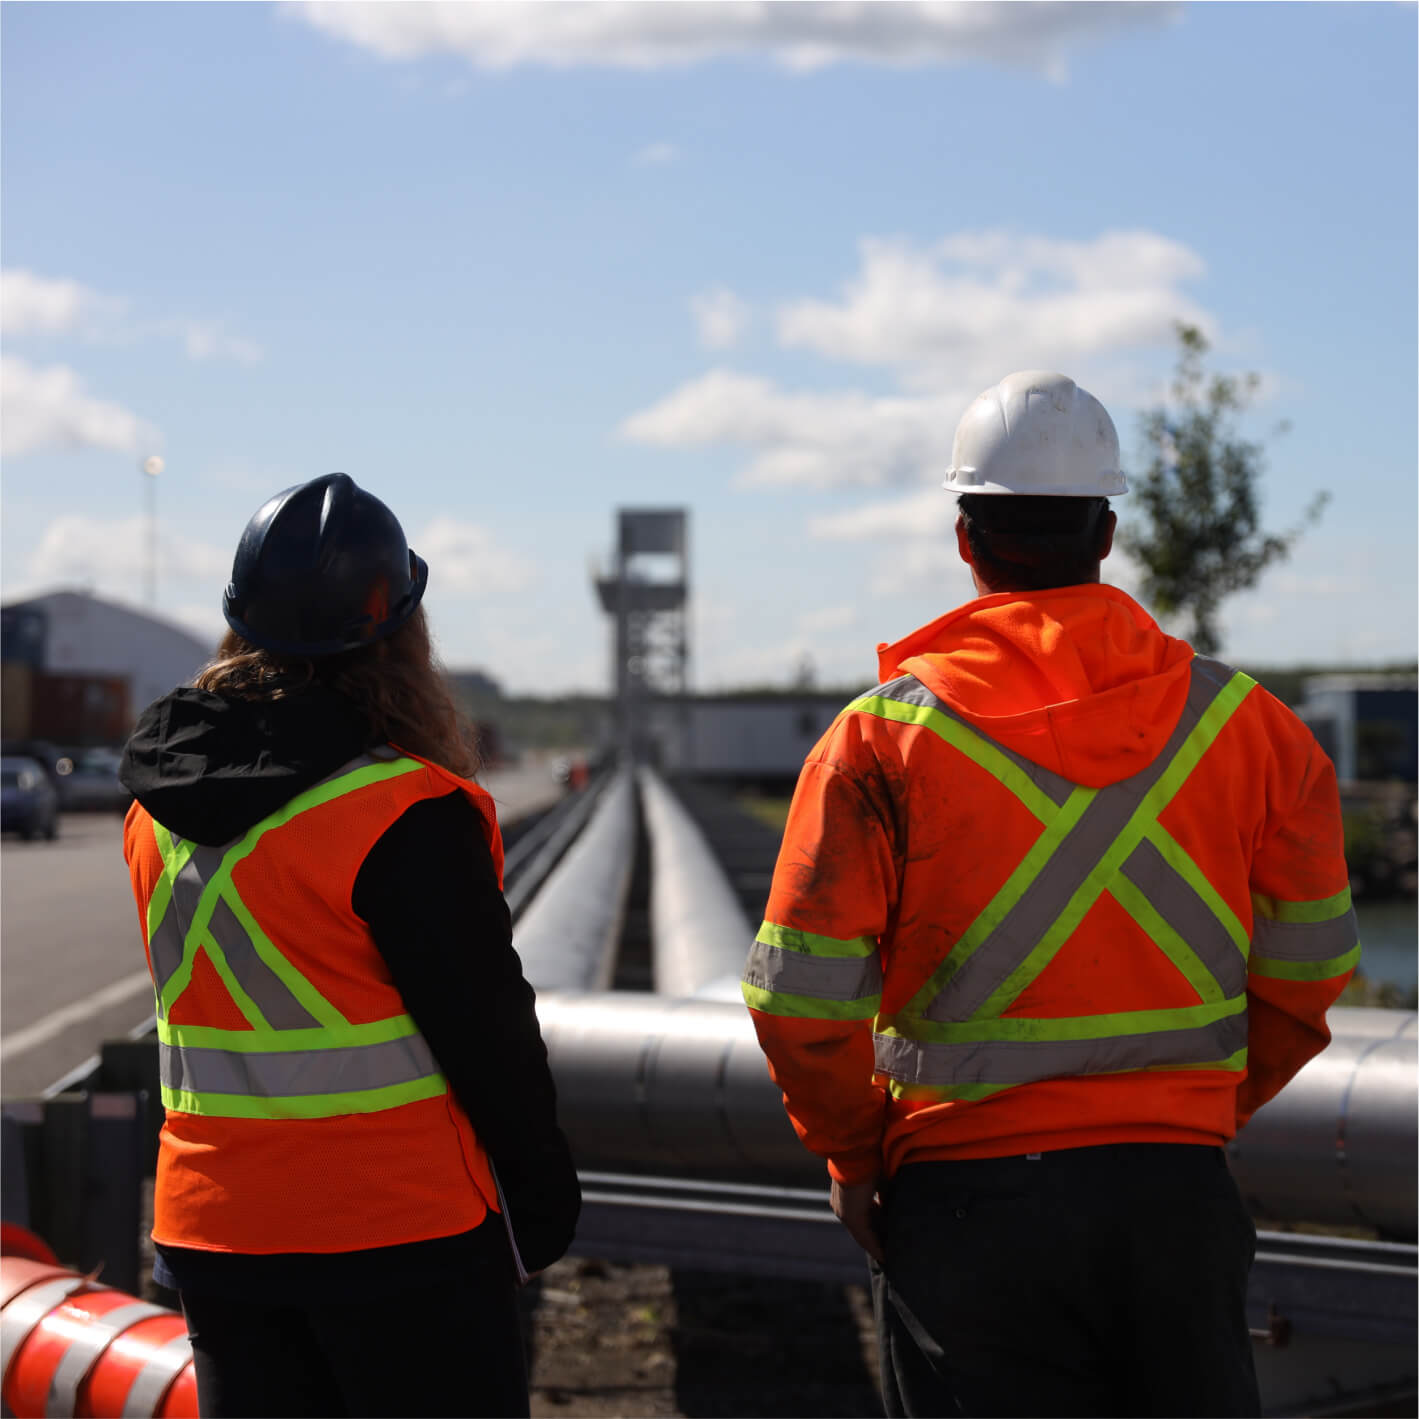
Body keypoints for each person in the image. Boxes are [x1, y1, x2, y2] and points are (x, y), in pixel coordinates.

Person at [741, 372, 1357, 1419]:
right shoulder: (1252, 730)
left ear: (965, 539)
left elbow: (800, 1000)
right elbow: (1309, 974)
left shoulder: (879, 741)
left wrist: (853, 1151)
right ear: (1106, 532)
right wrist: (1193, 1110)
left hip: (965, 1206)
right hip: (1174, 1199)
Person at [119, 472, 580, 1418]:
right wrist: (541, 1207)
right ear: (400, 633)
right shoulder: (407, 812)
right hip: (398, 1234)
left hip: (216, 1231)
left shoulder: (154, 813)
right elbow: (489, 1034)